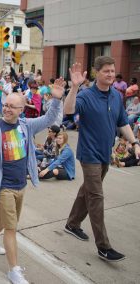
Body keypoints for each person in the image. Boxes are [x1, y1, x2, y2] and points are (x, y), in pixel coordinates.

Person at [0, 76, 65, 284]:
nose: (7, 109)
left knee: (4, 219)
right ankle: (13, 270)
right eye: (6, 105)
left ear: (22, 110)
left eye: (13, 107)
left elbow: (50, 119)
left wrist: (55, 100)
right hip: (3, 187)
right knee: (11, 228)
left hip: (21, 185)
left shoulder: (26, 126)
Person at [63, 57, 140, 262]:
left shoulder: (116, 96)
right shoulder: (86, 95)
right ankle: (104, 247)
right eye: (106, 71)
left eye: (113, 71)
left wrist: (134, 143)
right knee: (96, 197)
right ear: (97, 73)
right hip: (89, 154)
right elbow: (68, 111)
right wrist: (74, 88)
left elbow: (122, 122)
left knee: (87, 190)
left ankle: (72, 224)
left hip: (105, 153)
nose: (111, 74)